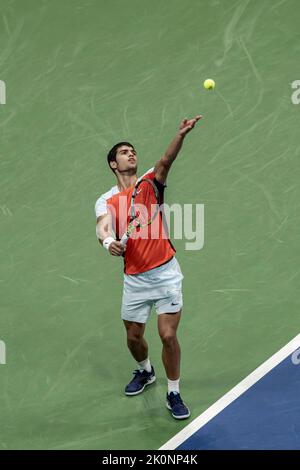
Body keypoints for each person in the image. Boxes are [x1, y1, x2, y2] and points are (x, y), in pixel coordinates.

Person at [95, 115, 202, 419]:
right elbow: (103, 228)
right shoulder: (105, 200)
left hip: (166, 272)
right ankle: (145, 371)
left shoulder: (151, 183)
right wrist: (107, 243)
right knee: (133, 337)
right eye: (123, 152)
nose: (131, 154)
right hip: (135, 279)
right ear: (113, 164)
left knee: (168, 336)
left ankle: (174, 392)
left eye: (133, 151)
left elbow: (166, 160)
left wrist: (181, 134)